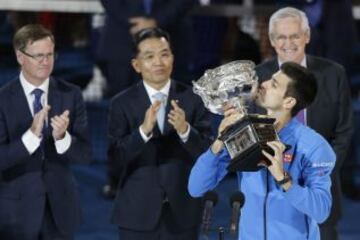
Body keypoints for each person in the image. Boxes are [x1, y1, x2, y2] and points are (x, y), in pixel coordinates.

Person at [188, 62, 336, 240]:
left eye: (273, 84)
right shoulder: (245, 132)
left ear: (289, 101)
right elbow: (196, 188)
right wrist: (219, 142)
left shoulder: (314, 146)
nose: (263, 84)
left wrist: (283, 179)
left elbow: (321, 211)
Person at [255, 7, 353, 240]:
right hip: (270, 196)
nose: (288, 43)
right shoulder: (258, 78)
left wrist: (321, 171)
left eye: (295, 36)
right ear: (271, 40)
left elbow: (344, 131)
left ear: (307, 36)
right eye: (281, 37)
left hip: (319, 190)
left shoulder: (333, 73)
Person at [108, 27, 212, 240]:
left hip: (183, 214)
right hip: (136, 216)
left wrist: (185, 130)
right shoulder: (121, 104)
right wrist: (143, 132)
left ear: (173, 58)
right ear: (136, 65)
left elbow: (209, 155)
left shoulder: (193, 99)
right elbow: (115, 161)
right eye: (149, 56)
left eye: (164, 54)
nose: (158, 62)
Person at [0, 24, 91, 239]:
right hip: (16, 213)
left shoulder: (72, 94)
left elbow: (85, 155)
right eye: (38, 56)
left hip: (61, 210)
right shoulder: (2, 100)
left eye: (50, 55)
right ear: (20, 57)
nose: (45, 62)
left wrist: (63, 138)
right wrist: (30, 137)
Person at [98, 0, 195, 98]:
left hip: (171, 40)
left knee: (169, 105)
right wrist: (133, 22)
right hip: (121, 46)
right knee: (123, 105)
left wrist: (157, 21)